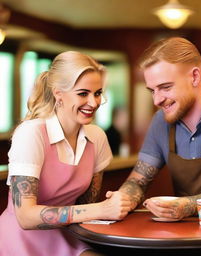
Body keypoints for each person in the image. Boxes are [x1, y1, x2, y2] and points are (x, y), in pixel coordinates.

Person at [0, 51, 131, 256]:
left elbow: (86, 206)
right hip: (19, 241)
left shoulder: (96, 137)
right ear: (58, 93)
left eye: (97, 93)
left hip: (67, 235)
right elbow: (25, 217)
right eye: (83, 93)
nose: (94, 102)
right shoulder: (31, 133)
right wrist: (102, 209)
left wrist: (118, 204)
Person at [118, 37, 201, 220]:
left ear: (195, 76)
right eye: (152, 90)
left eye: (165, 87)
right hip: (184, 237)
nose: (156, 100)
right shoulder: (160, 121)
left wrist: (186, 205)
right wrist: (122, 199)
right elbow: (137, 181)